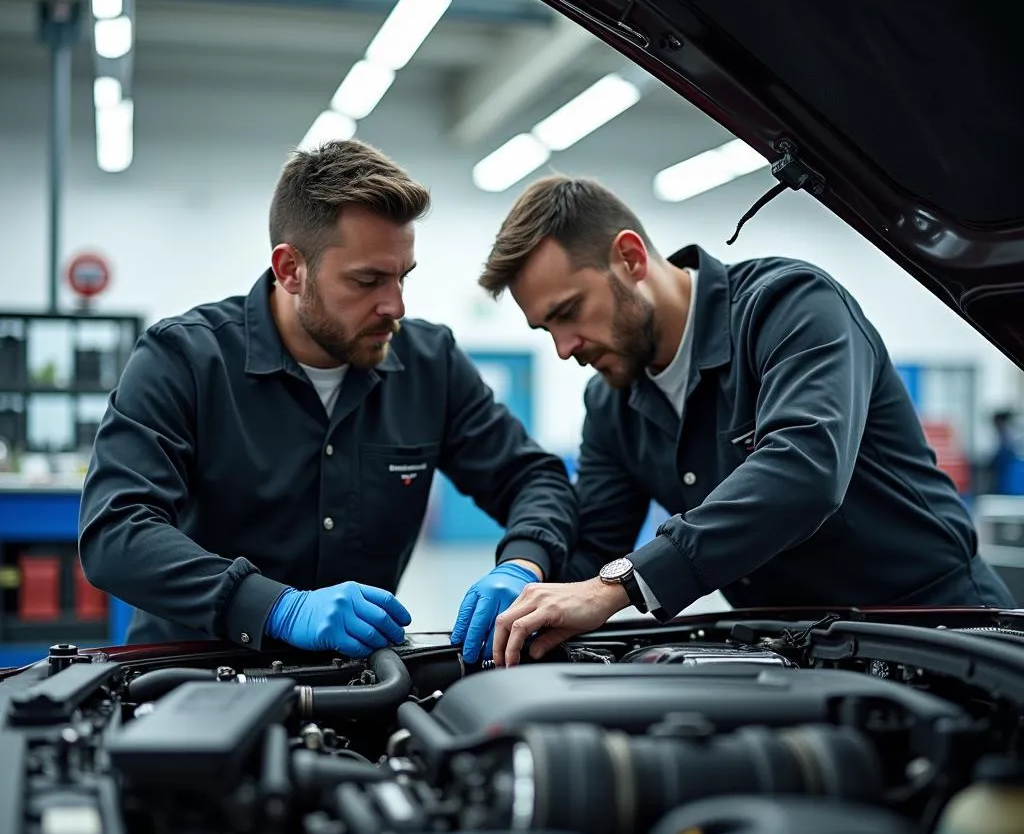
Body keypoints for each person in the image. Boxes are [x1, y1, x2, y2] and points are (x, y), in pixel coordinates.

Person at [466, 175, 1015, 667]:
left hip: (942, 634)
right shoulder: (611, 404)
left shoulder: (788, 306)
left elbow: (803, 471)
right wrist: (529, 578)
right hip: (800, 653)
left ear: (630, 259)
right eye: (546, 330)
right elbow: (596, 546)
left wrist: (621, 585)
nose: (563, 349)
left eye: (568, 312)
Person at [78, 140, 577, 662]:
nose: (395, 306)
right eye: (368, 281)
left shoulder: (431, 364)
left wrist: (523, 564)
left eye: (403, 276)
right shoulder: (183, 359)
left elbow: (534, 478)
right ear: (290, 269)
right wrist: (276, 608)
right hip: (191, 675)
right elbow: (117, 532)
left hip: (358, 683)